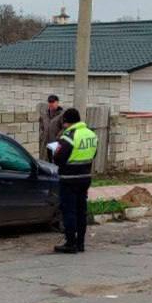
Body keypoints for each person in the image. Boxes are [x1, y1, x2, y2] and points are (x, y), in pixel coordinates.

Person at [51, 108, 98, 254]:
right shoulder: (91, 134)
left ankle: (70, 243)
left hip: (69, 179)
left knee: (69, 211)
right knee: (81, 211)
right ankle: (80, 243)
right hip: (85, 178)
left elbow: (58, 158)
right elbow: (94, 154)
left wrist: (53, 153)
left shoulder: (69, 137)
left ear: (66, 122)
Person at [39, 95, 65, 160]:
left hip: (55, 144)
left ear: (57, 102)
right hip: (45, 144)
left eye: (53, 102)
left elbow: (64, 128)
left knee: (54, 161)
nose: (51, 104)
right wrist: (42, 135)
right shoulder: (45, 114)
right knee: (44, 161)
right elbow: (41, 126)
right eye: (49, 102)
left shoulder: (62, 115)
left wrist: (57, 138)